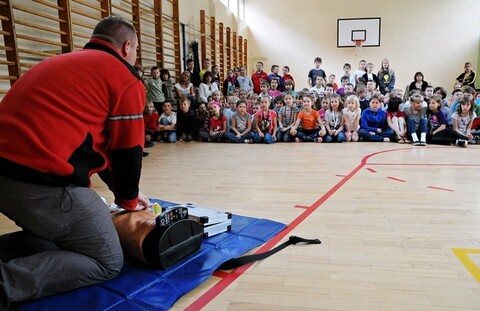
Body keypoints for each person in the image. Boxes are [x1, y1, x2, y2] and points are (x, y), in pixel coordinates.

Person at [0, 16, 150, 308]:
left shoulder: (63, 63)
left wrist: (128, 194)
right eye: (136, 51)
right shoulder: (124, 78)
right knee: (107, 259)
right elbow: (127, 150)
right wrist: (128, 201)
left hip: (7, 174)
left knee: (64, 241)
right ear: (127, 47)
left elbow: (100, 148)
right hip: (40, 181)